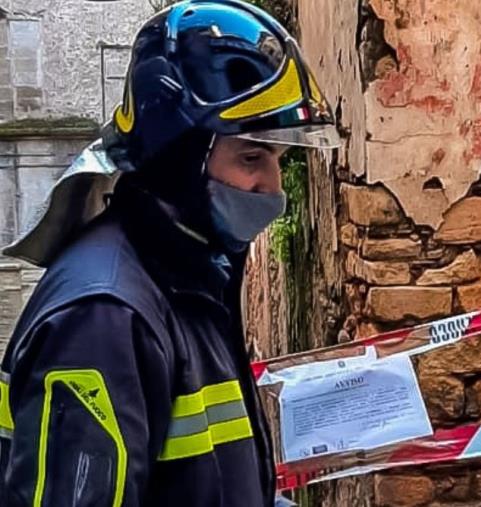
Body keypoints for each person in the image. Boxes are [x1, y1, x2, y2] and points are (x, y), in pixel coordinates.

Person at [0, 0, 339, 505]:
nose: (272, 187)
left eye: (276, 158)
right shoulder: (104, 319)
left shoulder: (187, 278)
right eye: (252, 156)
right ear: (178, 156)